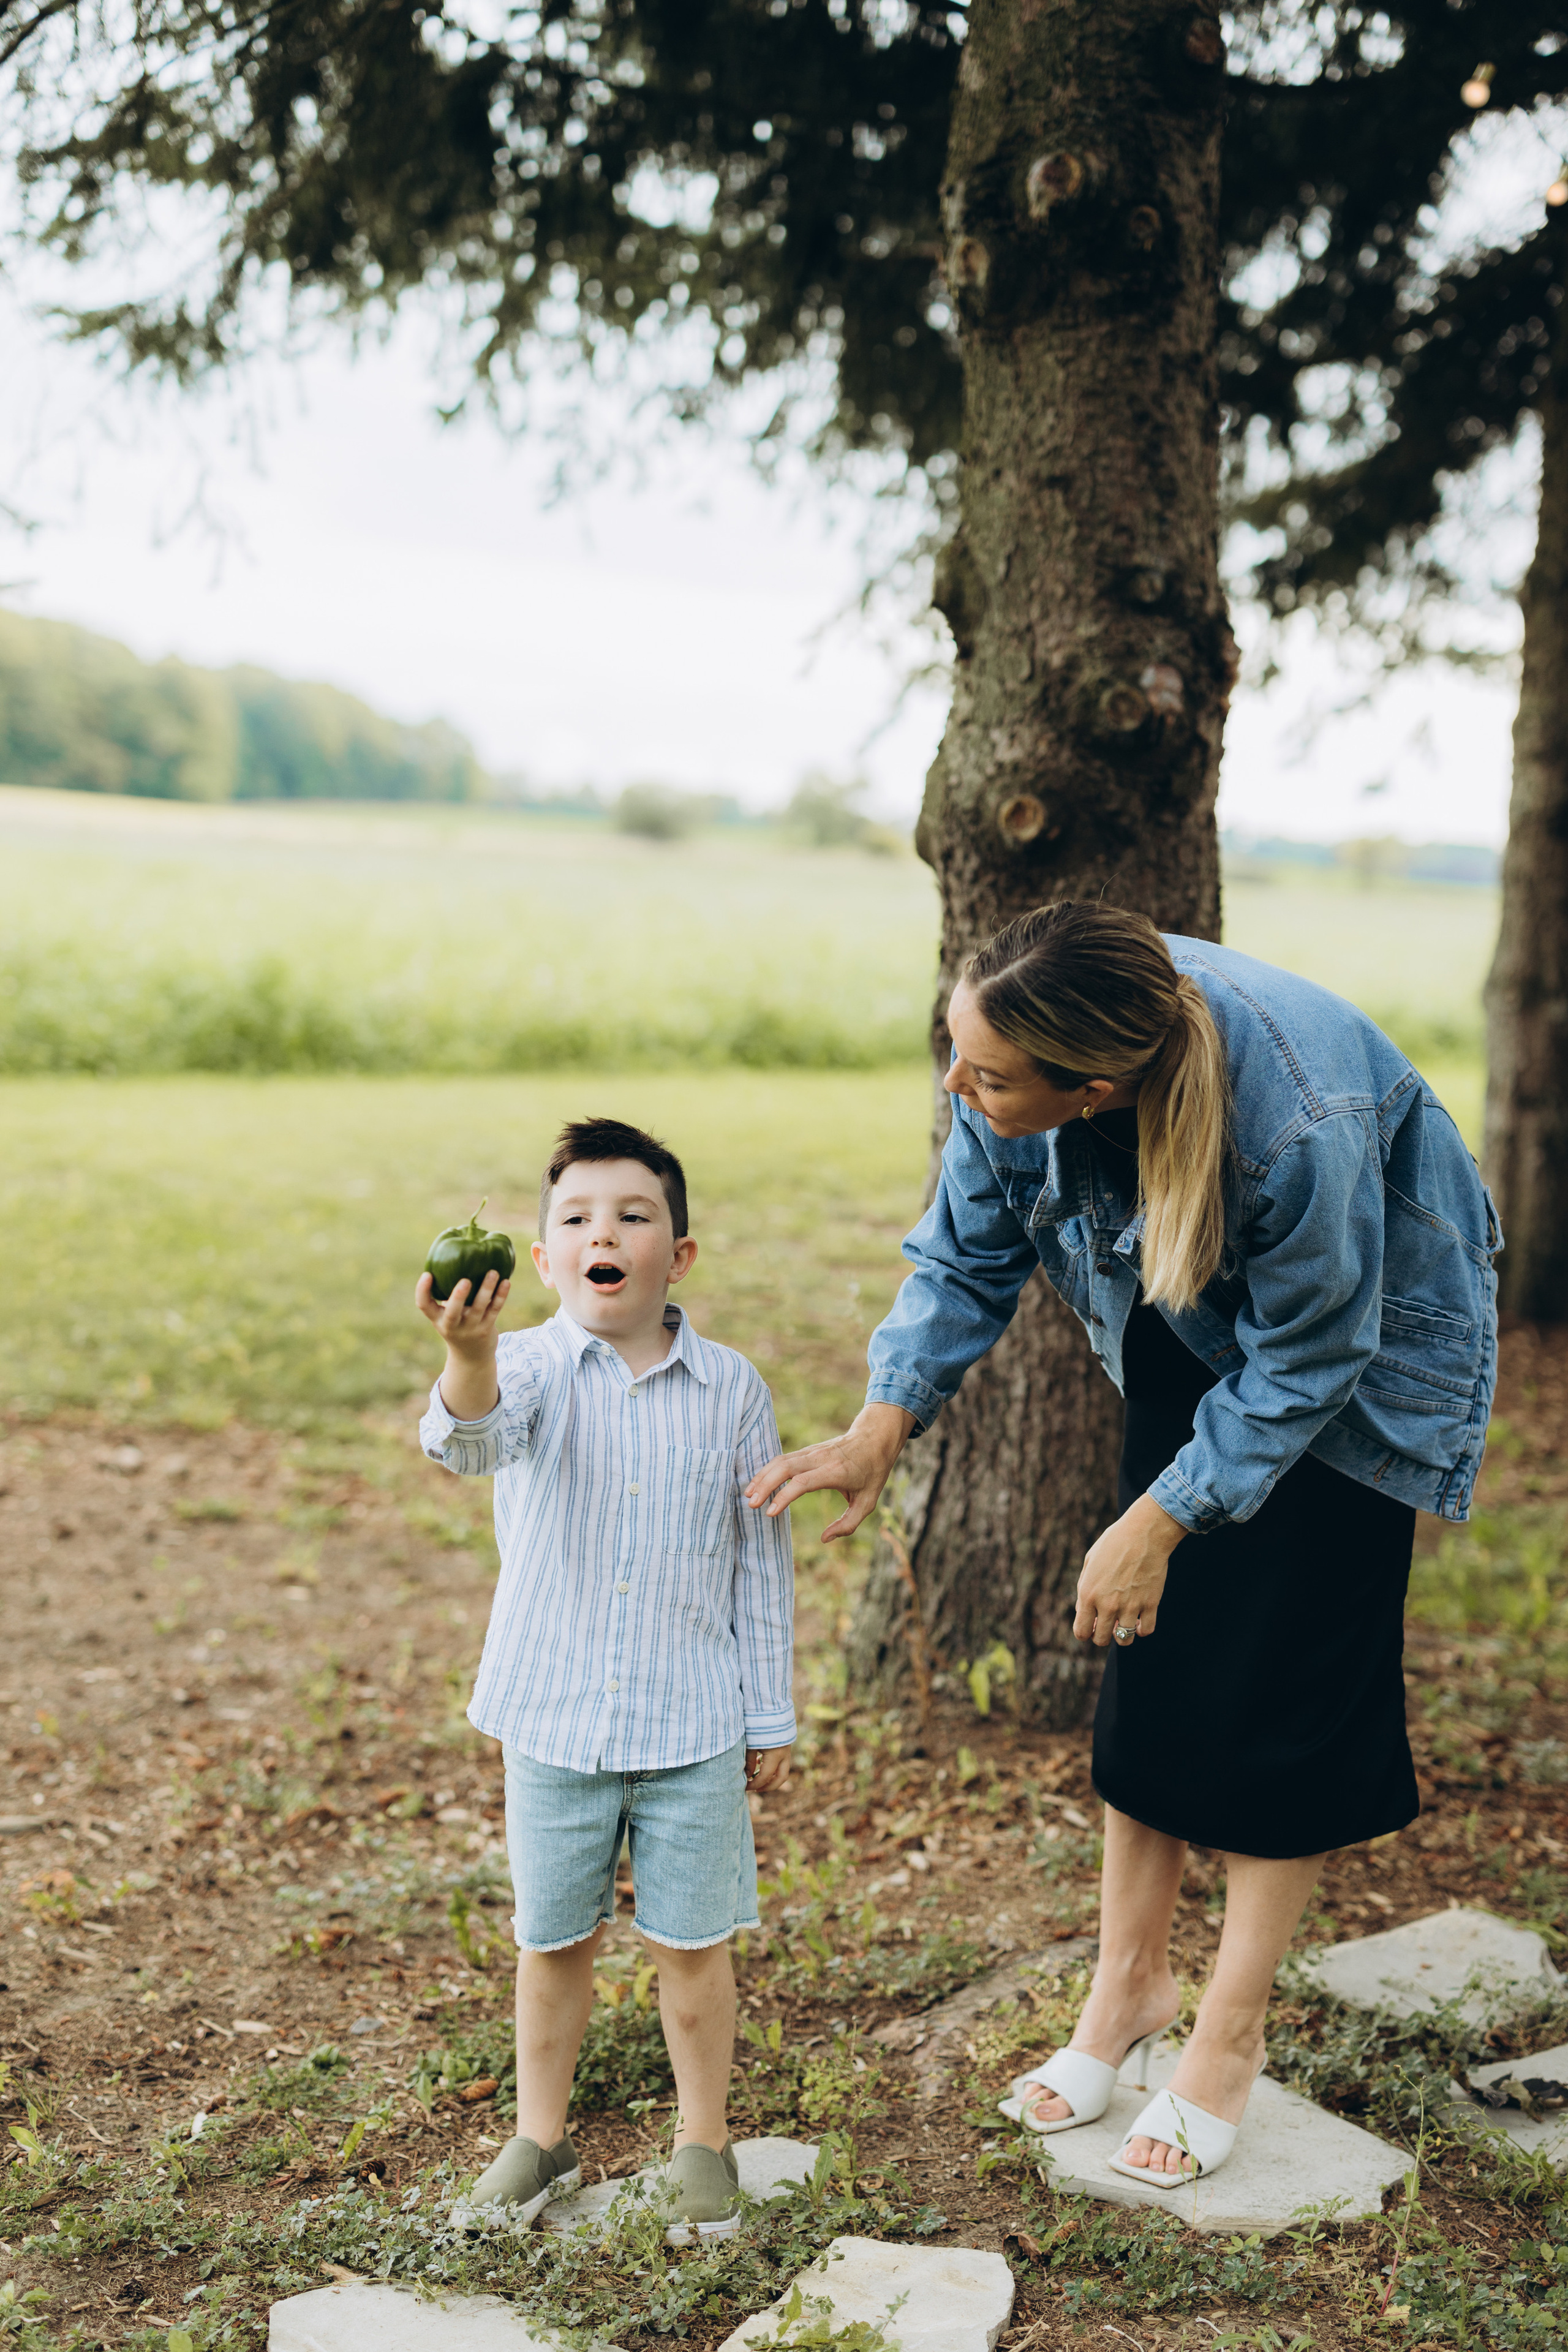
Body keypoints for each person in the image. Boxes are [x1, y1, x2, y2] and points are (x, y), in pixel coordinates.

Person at [746, 903, 1499, 2187]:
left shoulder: (1294, 1119)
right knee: (1145, 1666)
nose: (955, 1086)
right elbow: (959, 1256)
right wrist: (884, 1427)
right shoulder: (1021, 1065)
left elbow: (1312, 1351)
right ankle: (1125, 1990)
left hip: (1354, 1371)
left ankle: (1227, 2030)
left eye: (983, 1076)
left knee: (1284, 1700)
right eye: (957, 1054)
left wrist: (1157, 1518)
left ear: (1093, 1086)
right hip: (1183, 1329)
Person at [417, 1115, 795, 2237]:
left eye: (634, 1215)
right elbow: (465, 1445)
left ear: (677, 1256)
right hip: (553, 1717)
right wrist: (469, 1354)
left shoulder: (732, 1389)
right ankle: (541, 2136)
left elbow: (758, 1559)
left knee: (693, 1947)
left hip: (693, 1726)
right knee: (555, 1940)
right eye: (578, 1218)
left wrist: (768, 1710)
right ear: (542, 1261)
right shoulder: (523, 1367)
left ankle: (703, 2142)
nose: (606, 1233)